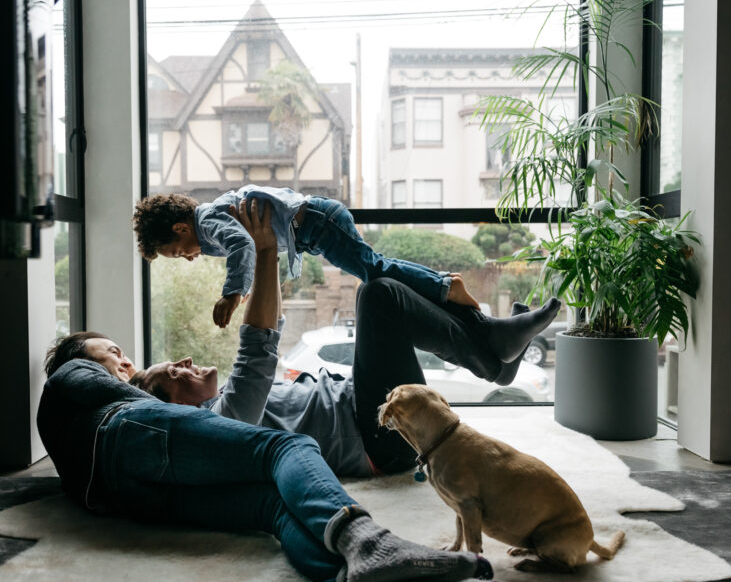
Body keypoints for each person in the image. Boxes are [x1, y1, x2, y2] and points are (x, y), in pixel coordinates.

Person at [37, 313, 520, 582]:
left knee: (271, 507)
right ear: (81, 360)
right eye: (112, 353)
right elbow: (106, 395)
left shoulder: (71, 451)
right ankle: (371, 544)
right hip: (130, 433)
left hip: (128, 499)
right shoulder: (74, 378)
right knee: (285, 448)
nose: (124, 360)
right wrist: (177, 413)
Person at [131, 199, 561, 478]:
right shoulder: (222, 423)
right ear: (176, 407)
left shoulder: (227, 400)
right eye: (171, 373)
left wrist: (268, 252)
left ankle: (494, 352)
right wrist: (263, 252)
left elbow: (269, 330)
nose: (183, 362)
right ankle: (492, 351)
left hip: (374, 409)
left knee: (379, 290)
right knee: (377, 295)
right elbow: (258, 349)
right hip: (380, 434)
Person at [132, 184, 481, 330]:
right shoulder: (210, 222)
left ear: (181, 228)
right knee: (373, 267)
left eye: (178, 252)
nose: (187, 258)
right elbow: (248, 245)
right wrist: (247, 286)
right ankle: (442, 287)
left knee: (373, 270)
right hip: (316, 227)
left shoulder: (208, 221)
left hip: (318, 221)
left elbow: (242, 245)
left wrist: (232, 294)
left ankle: (445, 287)